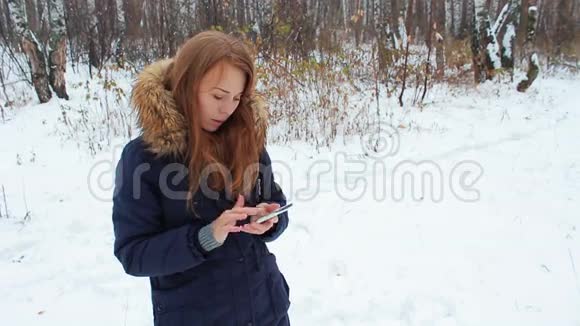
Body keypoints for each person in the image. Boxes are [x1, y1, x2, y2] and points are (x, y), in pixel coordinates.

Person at [112, 30, 291, 326]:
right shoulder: (144, 158)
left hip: (266, 309)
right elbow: (133, 253)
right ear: (186, 83)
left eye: (236, 97)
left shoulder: (247, 139)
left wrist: (270, 219)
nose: (227, 108)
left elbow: (274, 199)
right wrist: (205, 237)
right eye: (218, 96)